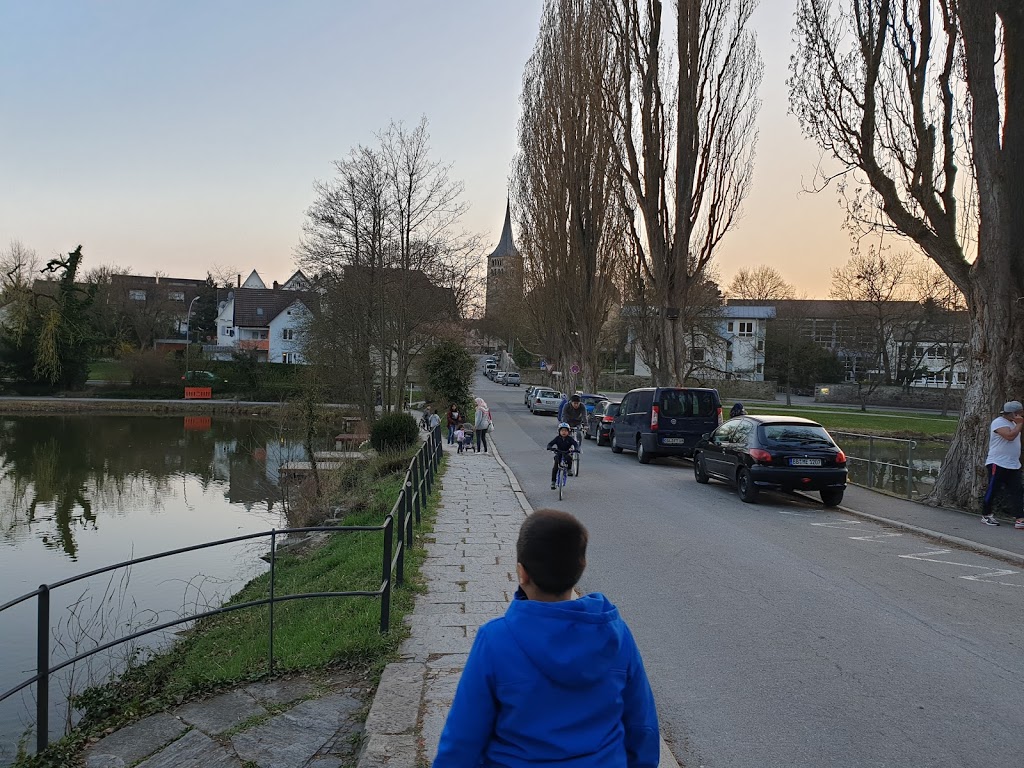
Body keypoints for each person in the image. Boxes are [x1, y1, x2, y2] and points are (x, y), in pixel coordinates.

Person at [432, 509, 660, 768]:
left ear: (522, 573)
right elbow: (642, 726)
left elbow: (462, 741)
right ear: (581, 568)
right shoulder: (616, 635)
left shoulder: (495, 641)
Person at [981, 400, 1024, 528]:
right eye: (1019, 413)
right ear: (1013, 413)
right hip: (998, 462)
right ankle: (986, 514)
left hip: (1013, 464)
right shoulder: (999, 422)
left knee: (1017, 491)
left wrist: (1018, 424)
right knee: (993, 489)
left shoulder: (1014, 424)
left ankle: (1020, 518)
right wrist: (1019, 424)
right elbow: (1009, 436)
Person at [546, 422, 579, 489]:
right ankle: (553, 482)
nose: (564, 432)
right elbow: (550, 444)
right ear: (559, 431)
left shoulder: (570, 439)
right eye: (562, 431)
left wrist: (576, 449)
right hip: (559, 452)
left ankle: (569, 469)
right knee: (555, 467)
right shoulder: (557, 438)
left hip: (567, 452)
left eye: (566, 431)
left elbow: (575, 444)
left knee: (569, 458)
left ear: (568, 432)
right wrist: (550, 447)